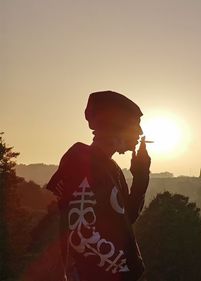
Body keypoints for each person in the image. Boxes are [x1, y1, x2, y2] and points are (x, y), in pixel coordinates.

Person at [46, 91, 151, 281]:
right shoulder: (81, 163)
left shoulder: (110, 167)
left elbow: (128, 217)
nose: (140, 133)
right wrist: (122, 269)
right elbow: (80, 235)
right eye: (135, 125)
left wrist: (141, 176)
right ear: (116, 128)